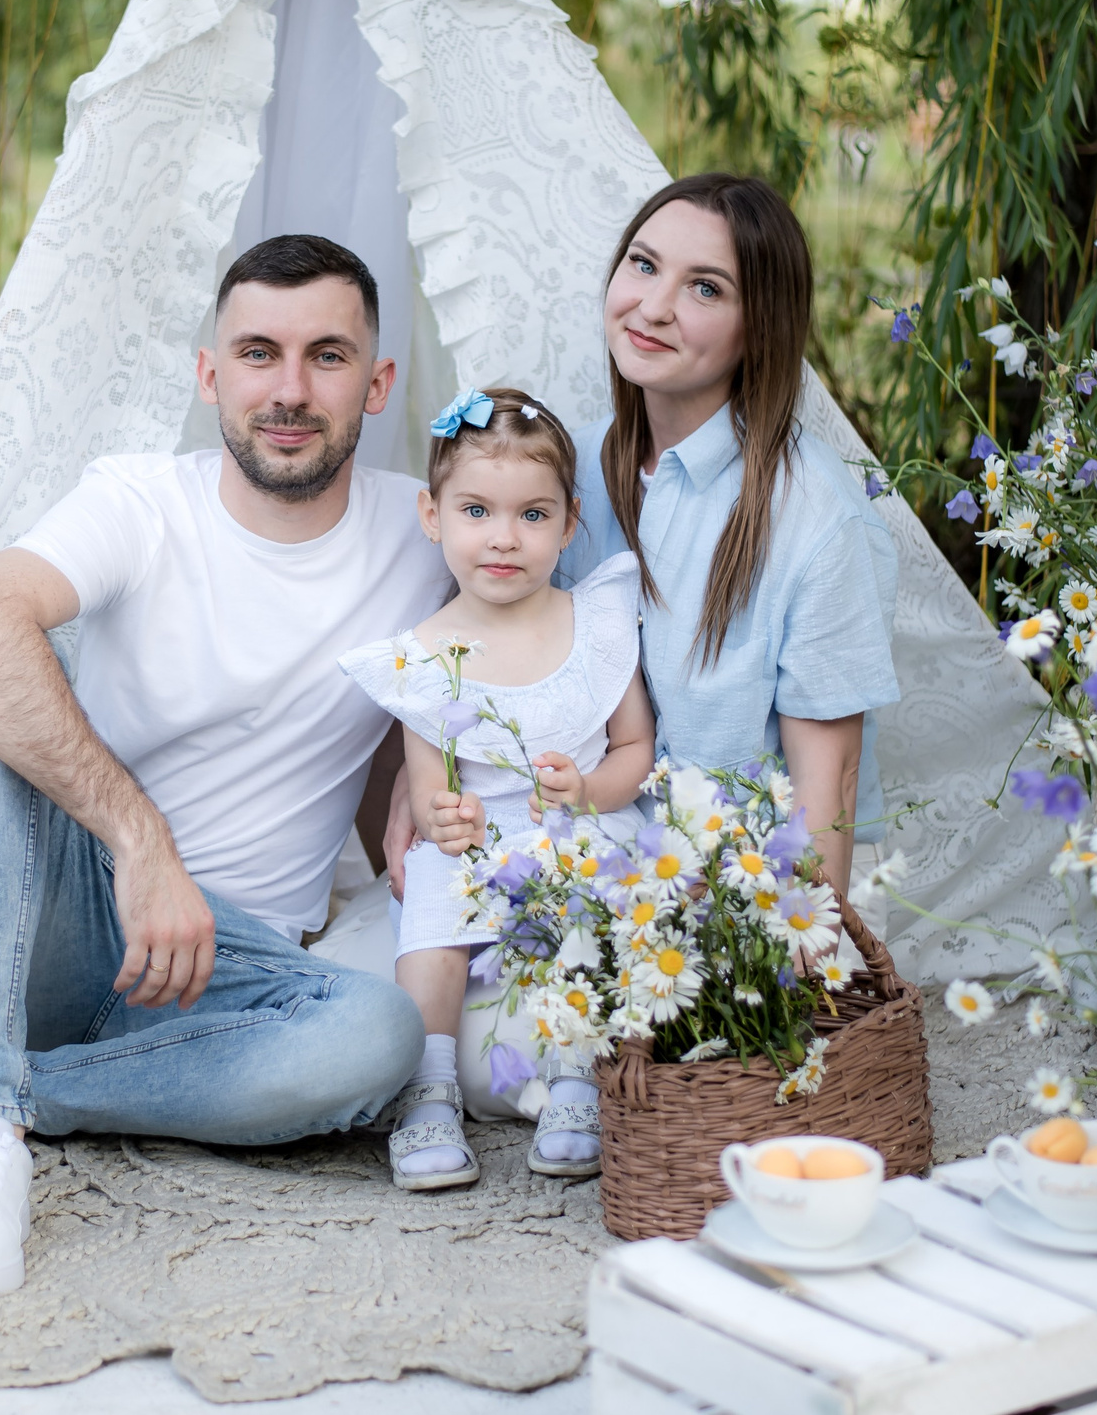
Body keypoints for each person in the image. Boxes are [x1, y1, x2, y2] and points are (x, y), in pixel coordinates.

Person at [0, 234, 444, 1301]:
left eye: (327, 356)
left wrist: (419, 789)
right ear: (210, 373)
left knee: (382, 1034)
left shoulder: (429, 531)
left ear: (376, 383)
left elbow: (523, 649)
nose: (288, 390)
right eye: (257, 352)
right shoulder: (142, 500)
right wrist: (140, 842)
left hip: (237, 980)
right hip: (71, 924)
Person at [336, 387, 654, 1190]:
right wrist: (452, 818)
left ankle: (576, 1075)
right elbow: (431, 791)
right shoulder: (426, 654)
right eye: (476, 511)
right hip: (484, 840)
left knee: (588, 895)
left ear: (570, 521)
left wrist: (586, 789)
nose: (503, 539)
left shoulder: (598, 623)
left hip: (578, 821)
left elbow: (635, 746)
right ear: (432, 514)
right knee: (436, 897)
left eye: (532, 515)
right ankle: (430, 1088)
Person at [560, 173, 899, 896]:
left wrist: (808, 953)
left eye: (705, 288)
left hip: (759, 881)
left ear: (761, 328)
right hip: (600, 851)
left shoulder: (814, 516)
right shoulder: (567, 471)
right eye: (644, 265)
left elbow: (826, 786)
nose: (652, 307)